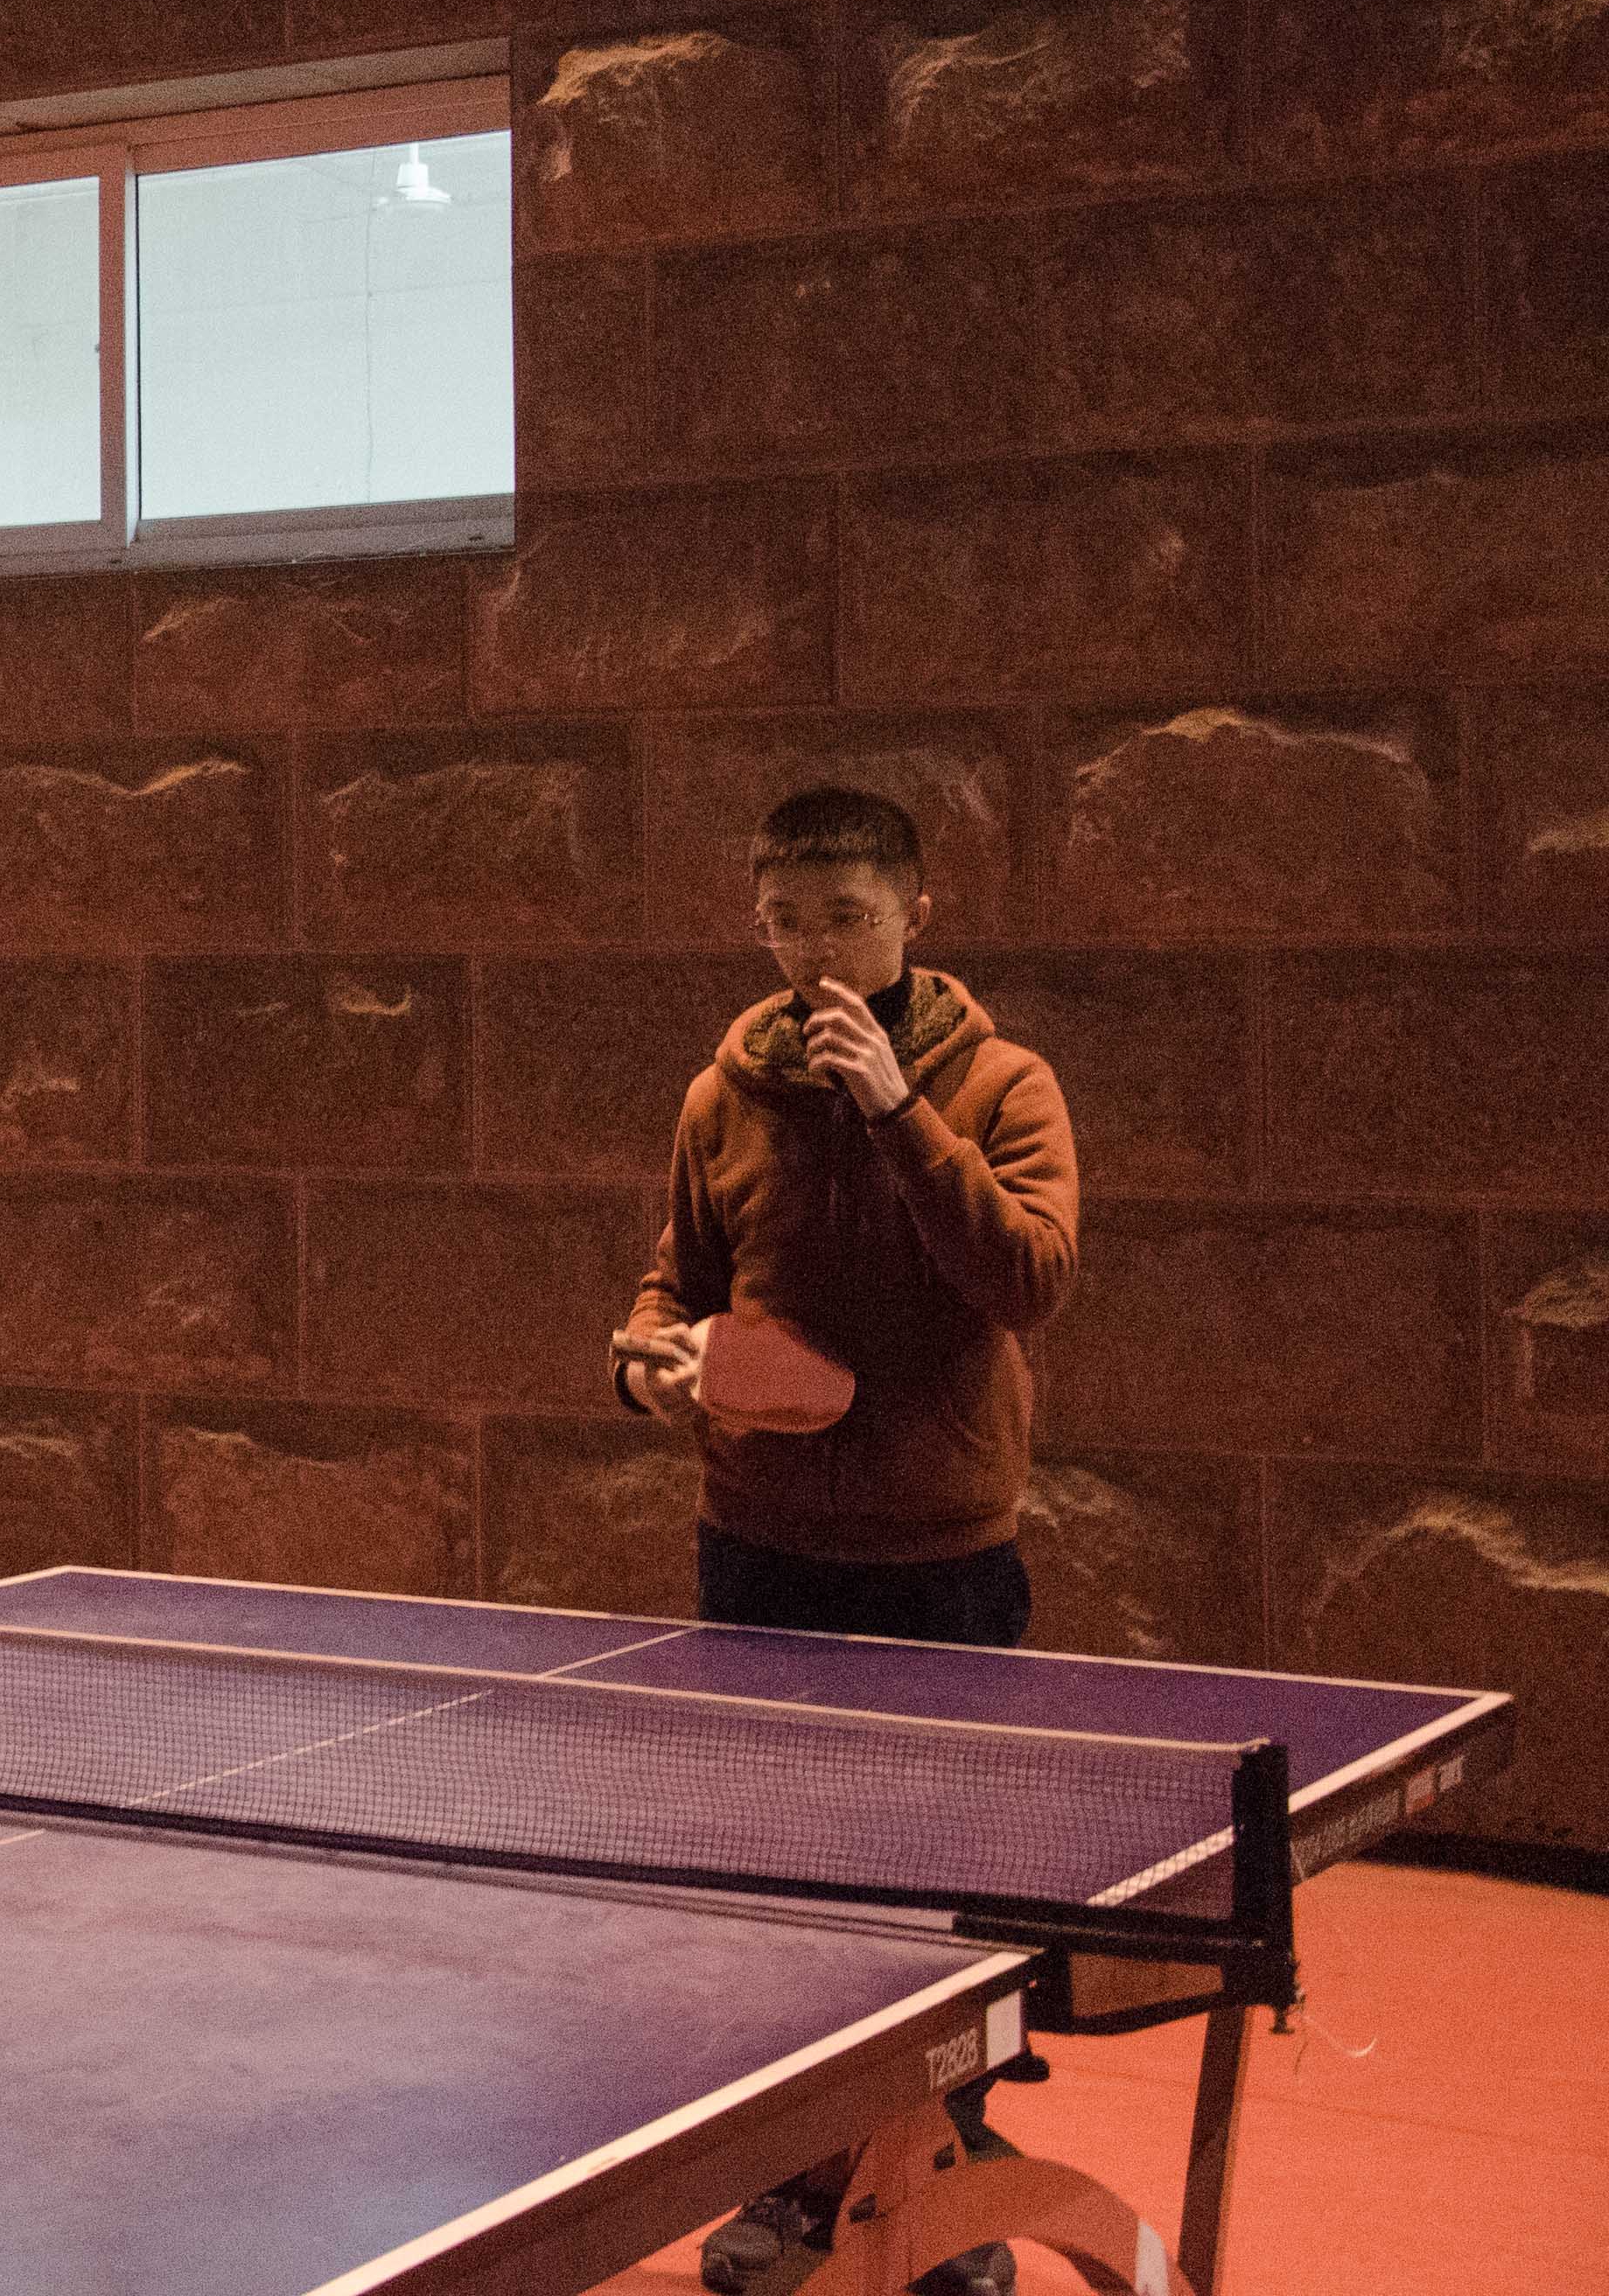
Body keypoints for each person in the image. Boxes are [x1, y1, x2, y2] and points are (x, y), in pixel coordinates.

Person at [608, 785, 1079, 2296]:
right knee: (781, 1893)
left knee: (941, 1898)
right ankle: (796, 2179)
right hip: (758, 1551)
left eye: (848, 916)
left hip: (940, 1559)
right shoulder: (718, 1096)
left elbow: (1029, 1278)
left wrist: (897, 1112)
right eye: (787, 920)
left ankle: (940, 2183)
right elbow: (674, 1286)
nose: (816, 949)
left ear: (913, 916)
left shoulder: (1000, 1082)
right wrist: (646, 1361)